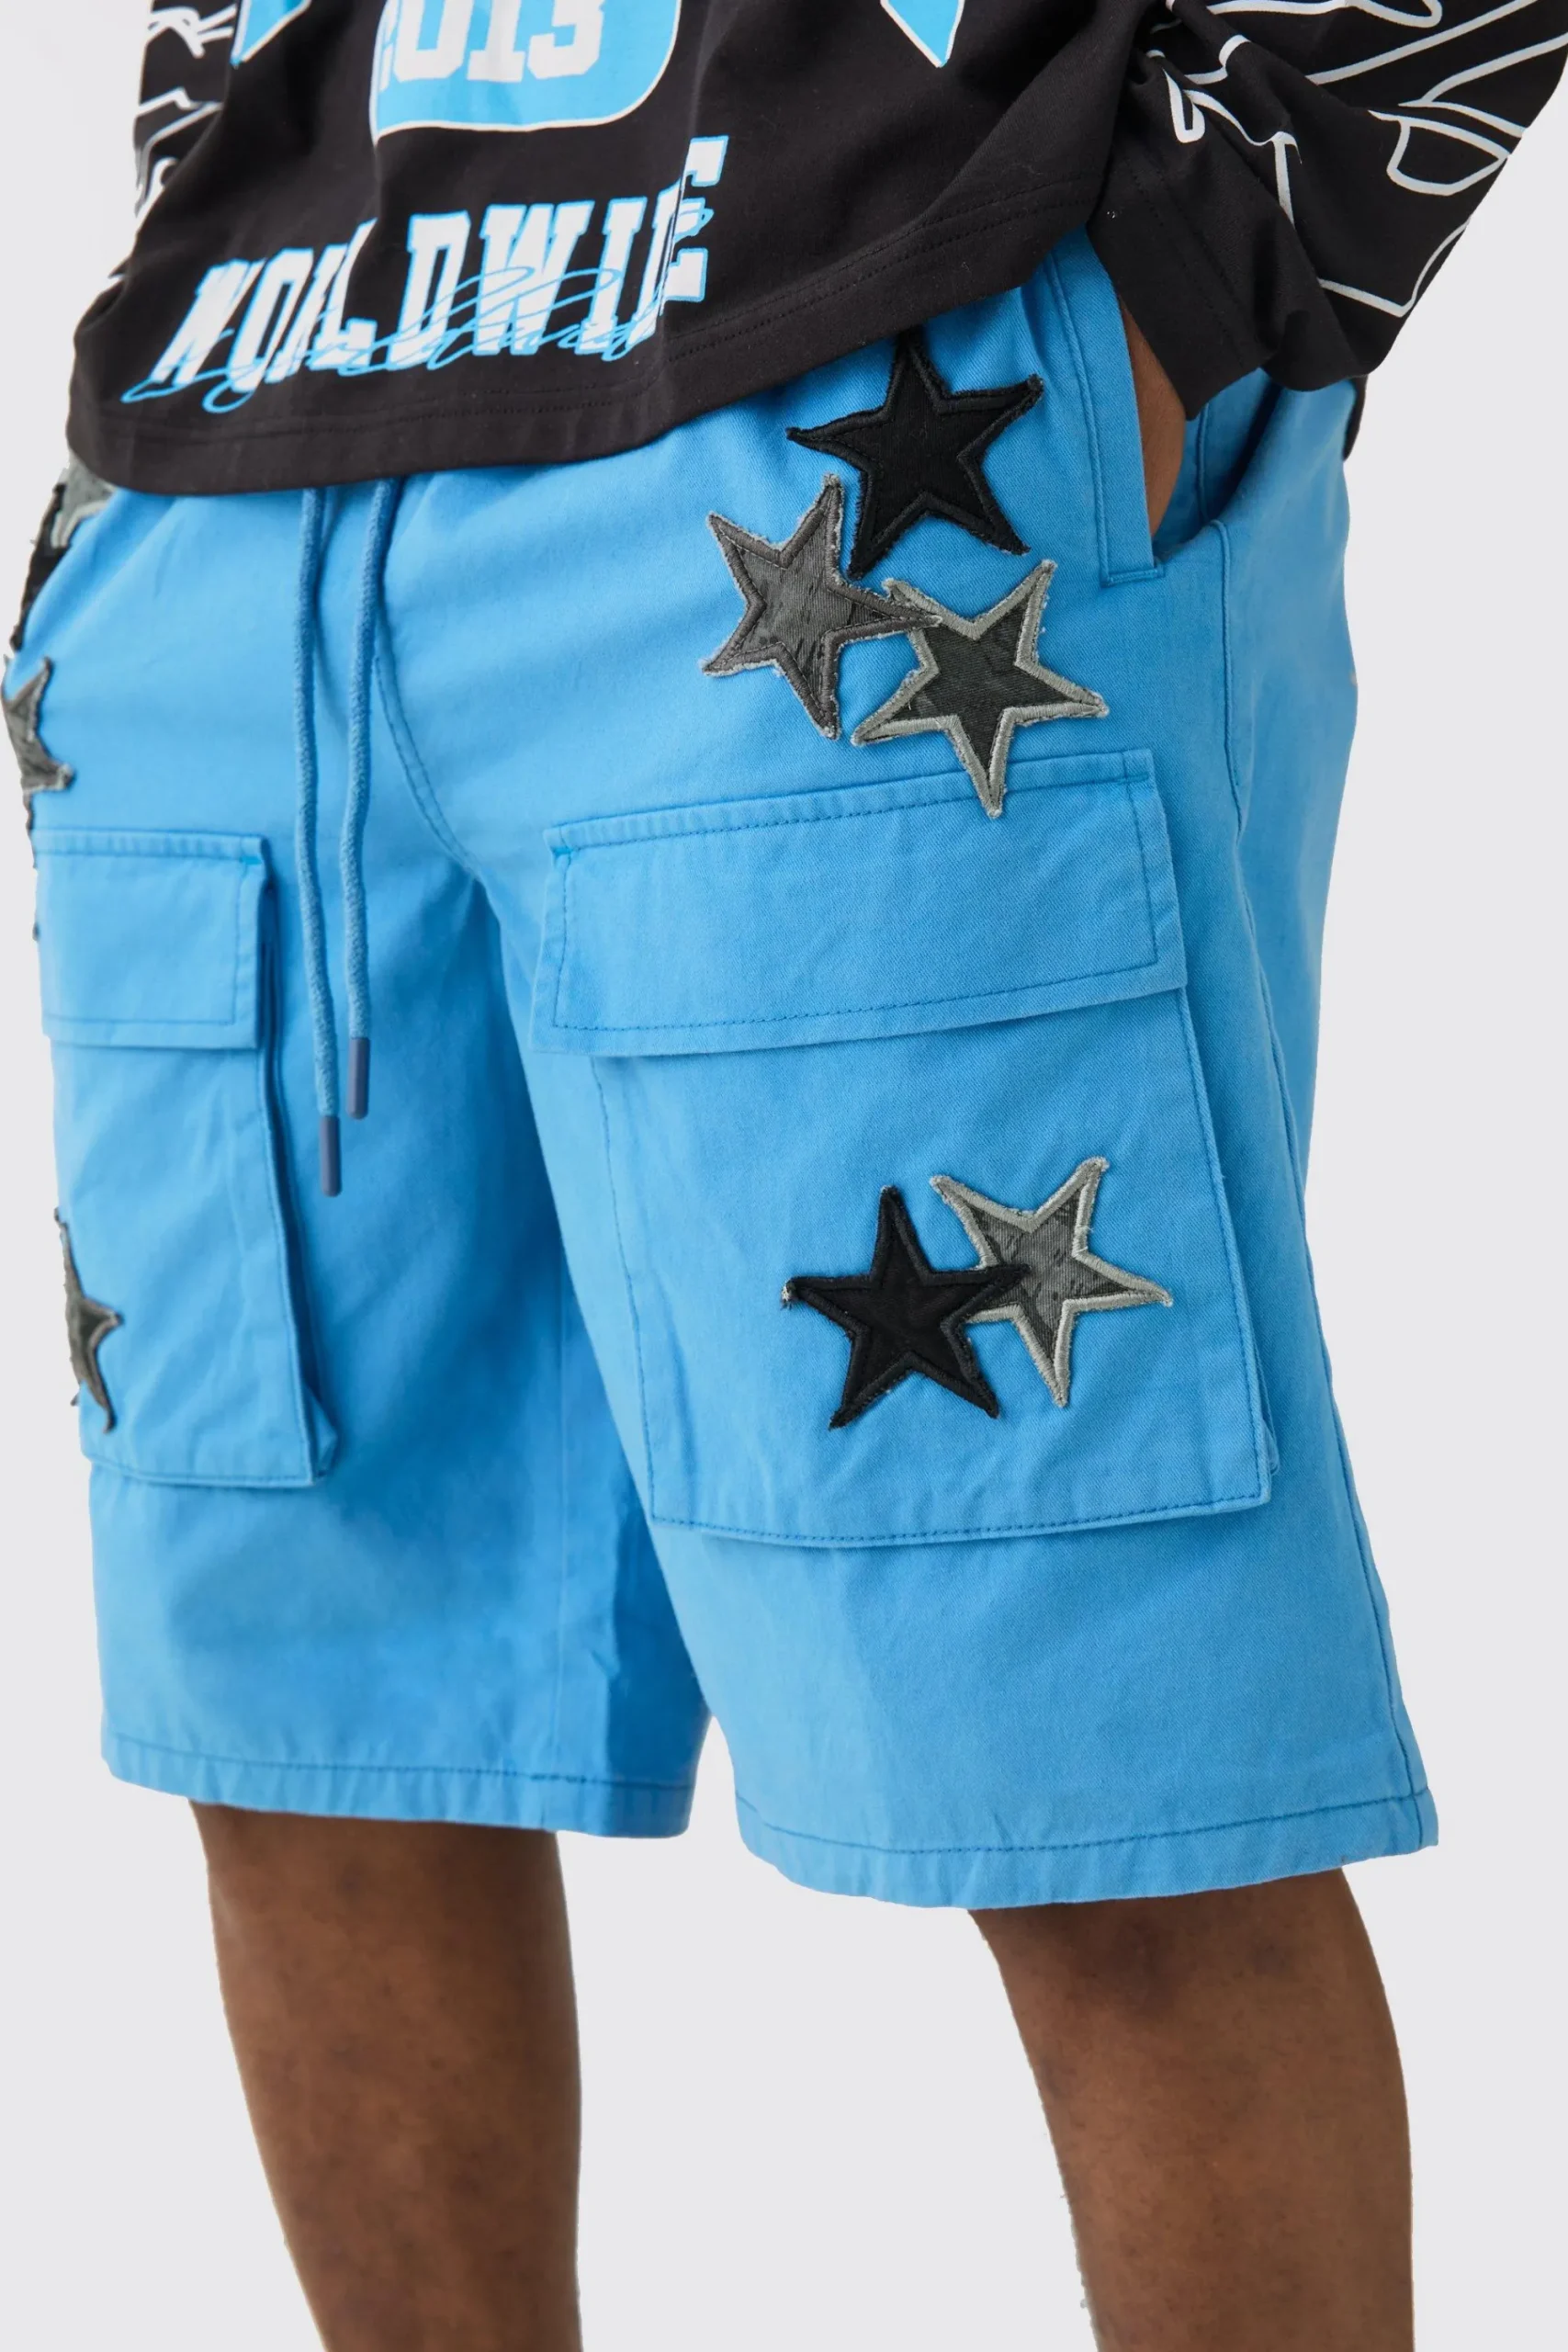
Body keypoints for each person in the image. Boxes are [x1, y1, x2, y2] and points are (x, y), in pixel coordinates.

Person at [7, 5, 1563, 2346]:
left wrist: (1212, 242)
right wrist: (196, 178)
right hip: (245, 436)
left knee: (1103, 1769)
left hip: (879, 420)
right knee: (317, 1720)